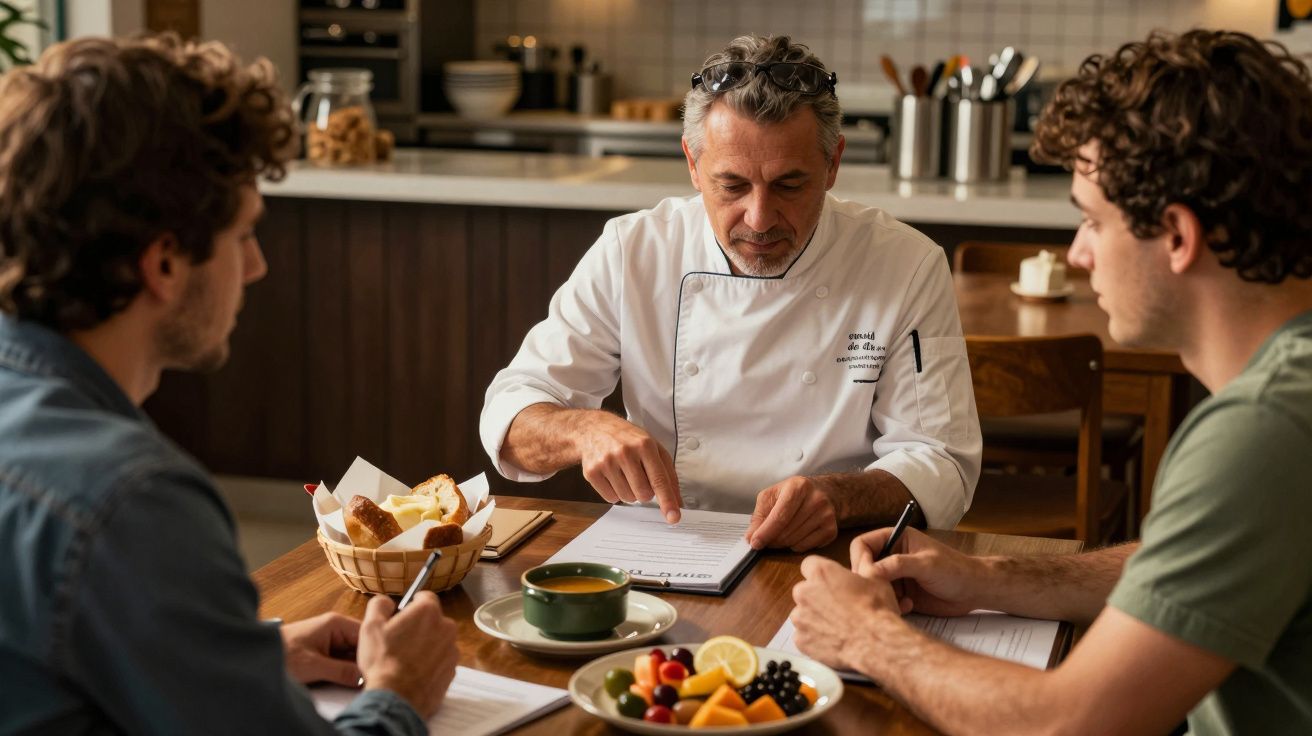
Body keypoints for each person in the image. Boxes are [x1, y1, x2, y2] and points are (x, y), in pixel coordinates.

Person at [790, 29, 1312, 735]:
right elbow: (1186, 567)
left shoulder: (1267, 428)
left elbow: (1067, 723)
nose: (1078, 253)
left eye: (1092, 221)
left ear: (1178, 237)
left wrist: (865, 638)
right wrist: (987, 578)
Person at [0, 35, 457, 734]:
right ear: (164, 264)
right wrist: (398, 691)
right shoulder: (132, 499)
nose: (257, 268)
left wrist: (241, 657)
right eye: (243, 235)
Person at [480, 34, 981, 551]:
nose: (759, 219)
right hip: (665, 546)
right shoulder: (634, 251)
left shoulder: (905, 264)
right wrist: (584, 431)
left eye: (789, 185)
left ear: (833, 165)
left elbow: (942, 462)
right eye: (732, 185)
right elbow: (511, 414)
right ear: (693, 166)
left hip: (830, 553)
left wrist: (838, 497)